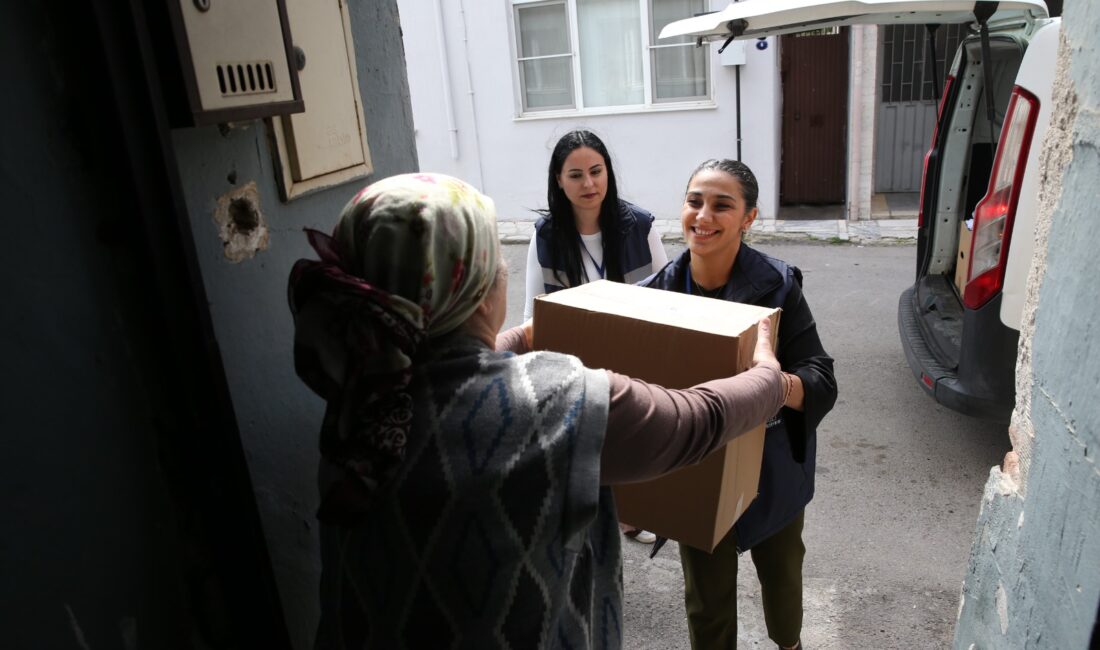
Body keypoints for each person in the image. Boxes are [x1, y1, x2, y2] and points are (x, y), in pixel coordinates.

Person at [288, 172, 788, 649]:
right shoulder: (557, 401)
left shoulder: (365, 392)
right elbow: (693, 422)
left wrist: (518, 338)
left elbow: (447, 366)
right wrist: (765, 376)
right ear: (478, 291)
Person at [641, 160, 838, 650]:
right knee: (706, 603)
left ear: (749, 217)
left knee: (783, 579)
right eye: (694, 201)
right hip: (697, 473)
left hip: (772, 470)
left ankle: (789, 646)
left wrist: (774, 385)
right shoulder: (657, 293)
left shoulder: (778, 288)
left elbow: (822, 380)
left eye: (721, 205)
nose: (703, 216)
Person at [525, 129, 669, 544]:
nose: (589, 184)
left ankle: (634, 512)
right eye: (575, 175)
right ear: (558, 180)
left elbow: (668, 297)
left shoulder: (638, 226)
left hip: (636, 350)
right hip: (577, 360)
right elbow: (534, 310)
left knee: (637, 438)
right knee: (591, 443)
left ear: (608, 172)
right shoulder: (547, 235)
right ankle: (597, 516)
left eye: (596, 171)